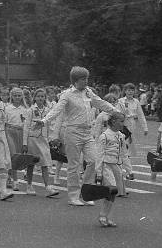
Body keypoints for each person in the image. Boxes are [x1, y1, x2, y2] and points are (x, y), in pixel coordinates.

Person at [39, 66, 117, 206]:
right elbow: (57, 110)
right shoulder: (67, 94)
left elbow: (100, 102)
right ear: (75, 80)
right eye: (83, 79)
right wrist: (44, 121)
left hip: (88, 132)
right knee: (74, 165)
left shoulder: (89, 92)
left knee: (93, 161)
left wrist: (115, 111)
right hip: (73, 132)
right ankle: (73, 196)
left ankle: (85, 192)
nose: (86, 81)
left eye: (87, 78)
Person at [94, 111, 126, 227]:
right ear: (113, 121)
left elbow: (124, 153)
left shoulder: (121, 136)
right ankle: (103, 215)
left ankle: (108, 216)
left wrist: (128, 169)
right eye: (121, 121)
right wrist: (98, 172)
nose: (123, 124)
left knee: (114, 193)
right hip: (106, 166)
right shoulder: (105, 136)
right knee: (110, 191)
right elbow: (99, 155)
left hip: (116, 166)